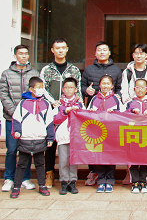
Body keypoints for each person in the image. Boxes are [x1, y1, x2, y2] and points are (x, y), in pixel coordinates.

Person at [40, 38, 82, 188]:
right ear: (52, 50)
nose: (60, 50)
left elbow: (78, 90)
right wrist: (53, 102)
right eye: (57, 48)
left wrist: (78, 105)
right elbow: (43, 89)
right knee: (50, 143)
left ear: (67, 49)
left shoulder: (74, 70)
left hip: (71, 113)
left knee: (69, 145)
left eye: (63, 47)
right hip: (54, 110)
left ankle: (70, 178)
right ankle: (49, 173)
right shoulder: (46, 70)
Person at [0, 44, 40, 192]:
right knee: (11, 150)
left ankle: (25, 178)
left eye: (26, 53)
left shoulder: (34, 73)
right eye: (20, 53)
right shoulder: (6, 74)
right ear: (15, 55)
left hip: (29, 119)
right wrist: (14, 112)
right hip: (12, 118)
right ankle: (9, 178)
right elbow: (3, 93)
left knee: (27, 149)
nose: (23, 56)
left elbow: (37, 93)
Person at [80, 41, 122, 186]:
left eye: (105, 50)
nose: (102, 52)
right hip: (94, 113)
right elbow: (82, 87)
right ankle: (94, 172)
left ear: (109, 53)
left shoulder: (116, 70)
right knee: (93, 144)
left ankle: (109, 176)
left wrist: (116, 99)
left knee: (110, 146)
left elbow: (119, 88)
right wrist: (86, 91)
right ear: (95, 53)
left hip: (111, 114)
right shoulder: (88, 70)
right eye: (99, 50)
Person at [9, 77, 54, 199]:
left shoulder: (46, 104)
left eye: (42, 87)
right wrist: (17, 131)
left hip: (40, 138)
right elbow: (16, 119)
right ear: (31, 89)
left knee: (40, 163)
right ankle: (17, 186)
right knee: (22, 164)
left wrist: (50, 138)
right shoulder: (23, 103)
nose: (41, 90)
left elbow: (49, 122)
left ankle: (42, 185)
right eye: (38, 87)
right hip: (26, 138)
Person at [87, 75, 122, 193]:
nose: (105, 85)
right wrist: (91, 112)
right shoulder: (94, 99)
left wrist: (115, 112)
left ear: (112, 86)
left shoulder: (116, 99)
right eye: (103, 83)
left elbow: (122, 114)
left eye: (108, 83)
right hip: (97, 133)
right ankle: (101, 180)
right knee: (99, 156)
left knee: (111, 156)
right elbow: (87, 113)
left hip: (111, 132)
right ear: (99, 85)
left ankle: (110, 180)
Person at [52, 77, 83, 195]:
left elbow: (84, 119)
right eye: (66, 87)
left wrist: (77, 111)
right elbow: (55, 120)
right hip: (63, 136)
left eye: (71, 87)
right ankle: (64, 182)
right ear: (63, 89)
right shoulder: (59, 104)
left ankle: (73, 182)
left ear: (75, 89)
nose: (69, 89)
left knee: (74, 160)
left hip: (75, 137)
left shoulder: (79, 104)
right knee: (63, 159)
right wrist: (66, 112)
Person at [126, 78, 147, 194]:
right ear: (134, 89)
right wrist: (131, 111)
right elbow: (122, 115)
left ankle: (143, 181)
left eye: (142, 87)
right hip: (132, 136)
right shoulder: (129, 103)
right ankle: (134, 182)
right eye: (138, 87)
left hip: (146, 136)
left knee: (144, 159)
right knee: (133, 159)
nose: (140, 90)